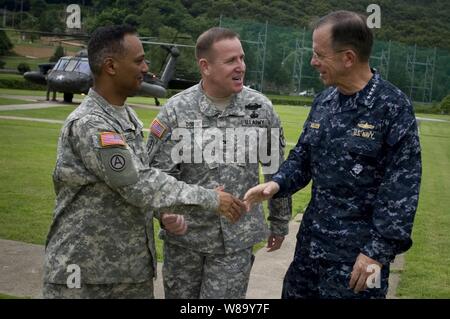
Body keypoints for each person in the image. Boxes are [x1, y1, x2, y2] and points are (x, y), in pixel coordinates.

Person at [42, 25, 245, 299]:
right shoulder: (91, 124)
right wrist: (211, 199)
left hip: (130, 273)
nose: (146, 67)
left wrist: (162, 213)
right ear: (111, 66)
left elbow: (140, 183)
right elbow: (137, 182)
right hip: (85, 276)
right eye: (138, 60)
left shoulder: (127, 118)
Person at [244, 10, 422, 299]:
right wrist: (276, 184)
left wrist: (375, 254)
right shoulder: (324, 100)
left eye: (319, 54)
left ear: (348, 58)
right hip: (310, 252)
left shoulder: (392, 107)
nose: (313, 62)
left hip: (359, 263)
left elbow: (401, 191)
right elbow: (303, 156)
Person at [146, 27, 292, 299]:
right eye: (230, 61)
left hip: (236, 241)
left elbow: (277, 171)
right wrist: (164, 216)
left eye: (242, 58)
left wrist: (280, 222)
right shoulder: (176, 111)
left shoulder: (260, 110)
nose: (241, 67)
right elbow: (156, 175)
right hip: (186, 240)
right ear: (205, 66)